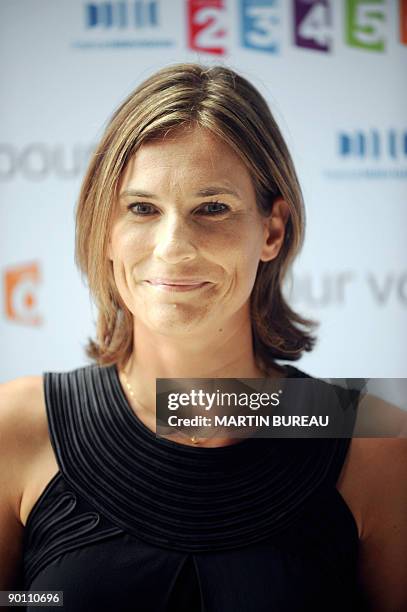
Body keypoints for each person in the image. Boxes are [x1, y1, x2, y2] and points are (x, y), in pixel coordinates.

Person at [0, 63, 406, 612]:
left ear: (272, 230)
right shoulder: (17, 428)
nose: (173, 246)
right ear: (107, 231)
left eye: (212, 209)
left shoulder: (372, 443)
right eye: (141, 208)